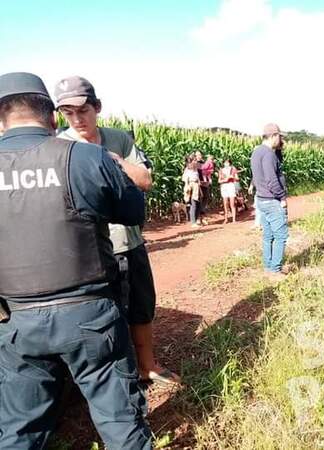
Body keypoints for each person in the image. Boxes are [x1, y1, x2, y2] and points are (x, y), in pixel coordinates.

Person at [0, 72, 152, 449]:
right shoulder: (84, 157)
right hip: (91, 316)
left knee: (19, 430)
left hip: (17, 321)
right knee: (120, 422)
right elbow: (133, 210)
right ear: (52, 117)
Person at [54, 75, 180, 386]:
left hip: (128, 241)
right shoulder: (57, 146)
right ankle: (115, 377)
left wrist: (115, 162)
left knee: (140, 305)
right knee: (102, 316)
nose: (77, 119)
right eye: (68, 113)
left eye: (83, 110)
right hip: (85, 250)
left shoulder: (119, 140)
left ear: (97, 107)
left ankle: (147, 364)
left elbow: (146, 180)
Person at [250, 123, 289, 280]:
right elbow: (272, 180)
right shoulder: (268, 154)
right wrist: (282, 198)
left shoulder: (256, 152)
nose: (280, 140)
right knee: (280, 235)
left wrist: (278, 151)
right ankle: (275, 270)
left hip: (261, 200)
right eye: (279, 137)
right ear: (273, 136)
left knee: (268, 235)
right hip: (272, 200)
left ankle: (268, 266)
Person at [182, 154, 202, 227]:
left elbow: (197, 177)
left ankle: (196, 220)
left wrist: (199, 183)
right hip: (191, 186)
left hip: (197, 185)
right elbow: (185, 179)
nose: (196, 161)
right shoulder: (188, 169)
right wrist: (187, 187)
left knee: (198, 203)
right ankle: (193, 222)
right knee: (193, 204)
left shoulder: (195, 168)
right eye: (195, 160)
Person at [218, 158, 239, 224]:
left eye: (227, 162)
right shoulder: (221, 170)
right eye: (225, 162)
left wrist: (233, 178)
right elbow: (219, 181)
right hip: (224, 186)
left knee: (232, 203)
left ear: (230, 163)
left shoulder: (233, 169)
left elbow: (237, 178)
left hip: (231, 185)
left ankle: (234, 219)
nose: (226, 164)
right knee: (225, 203)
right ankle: (226, 219)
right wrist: (225, 180)